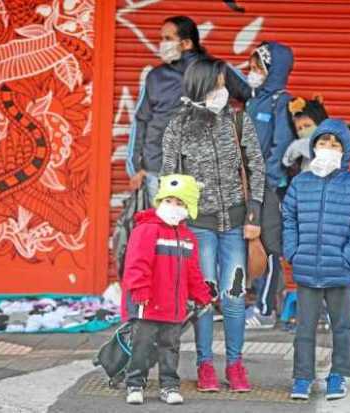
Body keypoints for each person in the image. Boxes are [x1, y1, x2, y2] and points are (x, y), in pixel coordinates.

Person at [161, 58, 266, 392]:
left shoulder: (238, 121)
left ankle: (235, 366)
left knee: (234, 296)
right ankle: (205, 365)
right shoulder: (177, 125)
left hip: (236, 226)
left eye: (224, 85)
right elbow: (168, 175)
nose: (223, 91)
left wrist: (254, 215)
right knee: (204, 298)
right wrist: (173, 218)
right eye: (217, 85)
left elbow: (256, 168)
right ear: (200, 86)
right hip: (198, 228)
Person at [282, 119, 350, 401]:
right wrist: (293, 252)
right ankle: (302, 377)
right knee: (304, 328)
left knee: (342, 326)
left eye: (335, 144)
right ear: (314, 146)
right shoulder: (300, 183)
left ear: (345, 151)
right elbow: (289, 218)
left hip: (341, 270)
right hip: (307, 268)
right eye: (323, 142)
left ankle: (338, 375)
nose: (328, 148)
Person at [127, 15, 250, 201]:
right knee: (163, 228)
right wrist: (136, 167)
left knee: (197, 229)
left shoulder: (217, 70)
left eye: (167, 39)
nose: (162, 44)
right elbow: (141, 120)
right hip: (158, 171)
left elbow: (254, 98)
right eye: (161, 39)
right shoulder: (156, 76)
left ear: (186, 43)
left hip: (204, 173)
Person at [122, 174, 213, 405]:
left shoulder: (188, 237)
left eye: (180, 203)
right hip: (147, 303)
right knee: (141, 345)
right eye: (169, 201)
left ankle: (169, 385)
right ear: (160, 200)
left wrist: (202, 295)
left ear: (189, 208)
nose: (173, 207)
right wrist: (139, 290)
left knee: (170, 347)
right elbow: (136, 263)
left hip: (174, 306)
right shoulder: (147, 230)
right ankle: (135, 383)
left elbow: (193, 272)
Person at [244, 41, 296, 329]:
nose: (251, 73)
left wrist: (268, 180)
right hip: (249, 184)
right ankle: (262, 300)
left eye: (257, 68)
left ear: (272, 70)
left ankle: (265, 310)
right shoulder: (255, 101)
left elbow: (281, 146)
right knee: (254, 244)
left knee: (270, 245)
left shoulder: (281, 102)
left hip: (270, 187)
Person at [283, 95, 329, 173]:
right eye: (299, 129)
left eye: (307, 126)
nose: (303, 131)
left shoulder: (331, 144)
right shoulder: (304, 154)